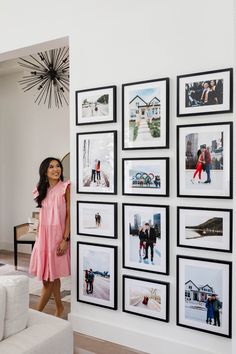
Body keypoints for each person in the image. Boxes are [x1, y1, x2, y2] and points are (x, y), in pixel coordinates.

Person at [29, 157, 70, 317]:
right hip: (43, 238)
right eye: (51, 167)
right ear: (45, 171)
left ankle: (35, 314)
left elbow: (69, 216)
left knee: (48, 280)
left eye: (58, 166)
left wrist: (65, 239)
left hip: (57, 238)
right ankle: (60, 308)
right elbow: (42, 215)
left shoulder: (66, 187)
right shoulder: (40, 190)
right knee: (50, 276)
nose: (56, 169)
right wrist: (38, 236)